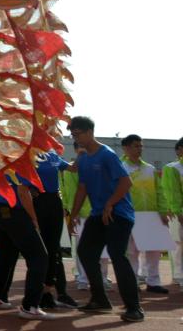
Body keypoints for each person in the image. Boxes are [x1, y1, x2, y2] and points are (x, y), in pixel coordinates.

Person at [68, 116, 143, 323]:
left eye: (78, 134)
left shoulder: (107, 154)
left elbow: (126, 183)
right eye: (73, 135)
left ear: (90, 132)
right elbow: (82, 188)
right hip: (98, 214)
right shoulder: (83, 158)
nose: (76, 139)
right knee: (85, 251)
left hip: (119, 214)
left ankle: (134, 308)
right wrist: (73, 215)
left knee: (117, 255)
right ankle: (100, 299)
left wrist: (110, 203)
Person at [0, 172, 49, 320]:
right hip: (12, 210)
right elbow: (22, 191)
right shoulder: (20, 156)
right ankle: (30, 306)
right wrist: (34, 218)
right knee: (39, 257)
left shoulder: (3, 155)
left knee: (6, 254)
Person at [120, 134, 170, 294]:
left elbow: (160, 191)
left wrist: (163, 210)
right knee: (132, 251)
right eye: (136, 146)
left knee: (154, 250)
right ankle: (132, 281)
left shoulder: (150, 168)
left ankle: (153, 282)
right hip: (131, 215)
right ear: (126, 148)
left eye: (141, 146)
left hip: (151, 214)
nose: (139, 149)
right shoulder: (121, 168)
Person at [32, 150, 78, 309]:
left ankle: (57, 293)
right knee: (44, 250)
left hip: (54, 202)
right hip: (38, 201)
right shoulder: (29, 152)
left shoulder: (53, 155)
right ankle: (42, 294)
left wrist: (83, 154)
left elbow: (72, 168)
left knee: (55, 250)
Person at [161, 136, 183, 286]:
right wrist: (178, 211)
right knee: (179, 244)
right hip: (178, 211)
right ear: (179, 150)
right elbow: (171, 192)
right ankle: (179, 276)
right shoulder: (172, 168)